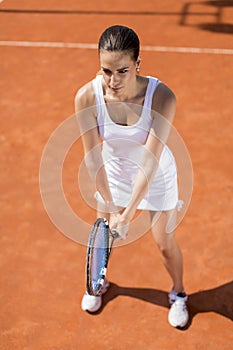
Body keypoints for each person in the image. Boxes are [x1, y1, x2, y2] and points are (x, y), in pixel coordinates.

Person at [75, 25, 189, 328]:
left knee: (163, 243)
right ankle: (101, 282)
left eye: (122, 71)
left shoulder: (162, 97)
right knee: (104, 238)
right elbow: (92, 158)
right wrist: (114, 208)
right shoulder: (87, 97)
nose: (113, 81)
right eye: (106, 70)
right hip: (113, 175)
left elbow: (150, 161)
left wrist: (128, 215)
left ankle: (178, 292)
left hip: (157, 176)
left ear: (138, 64)